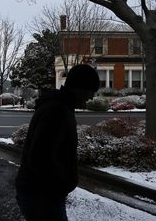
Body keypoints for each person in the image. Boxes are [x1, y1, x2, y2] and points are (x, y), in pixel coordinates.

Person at [15, 64, 100, 221]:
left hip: (39, 192)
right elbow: (41, 157)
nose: (91, 97)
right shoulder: (58, 110)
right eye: (90, 92)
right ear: (80, 88)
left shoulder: (58, 106)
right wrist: (63, 183)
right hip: (41, 195)